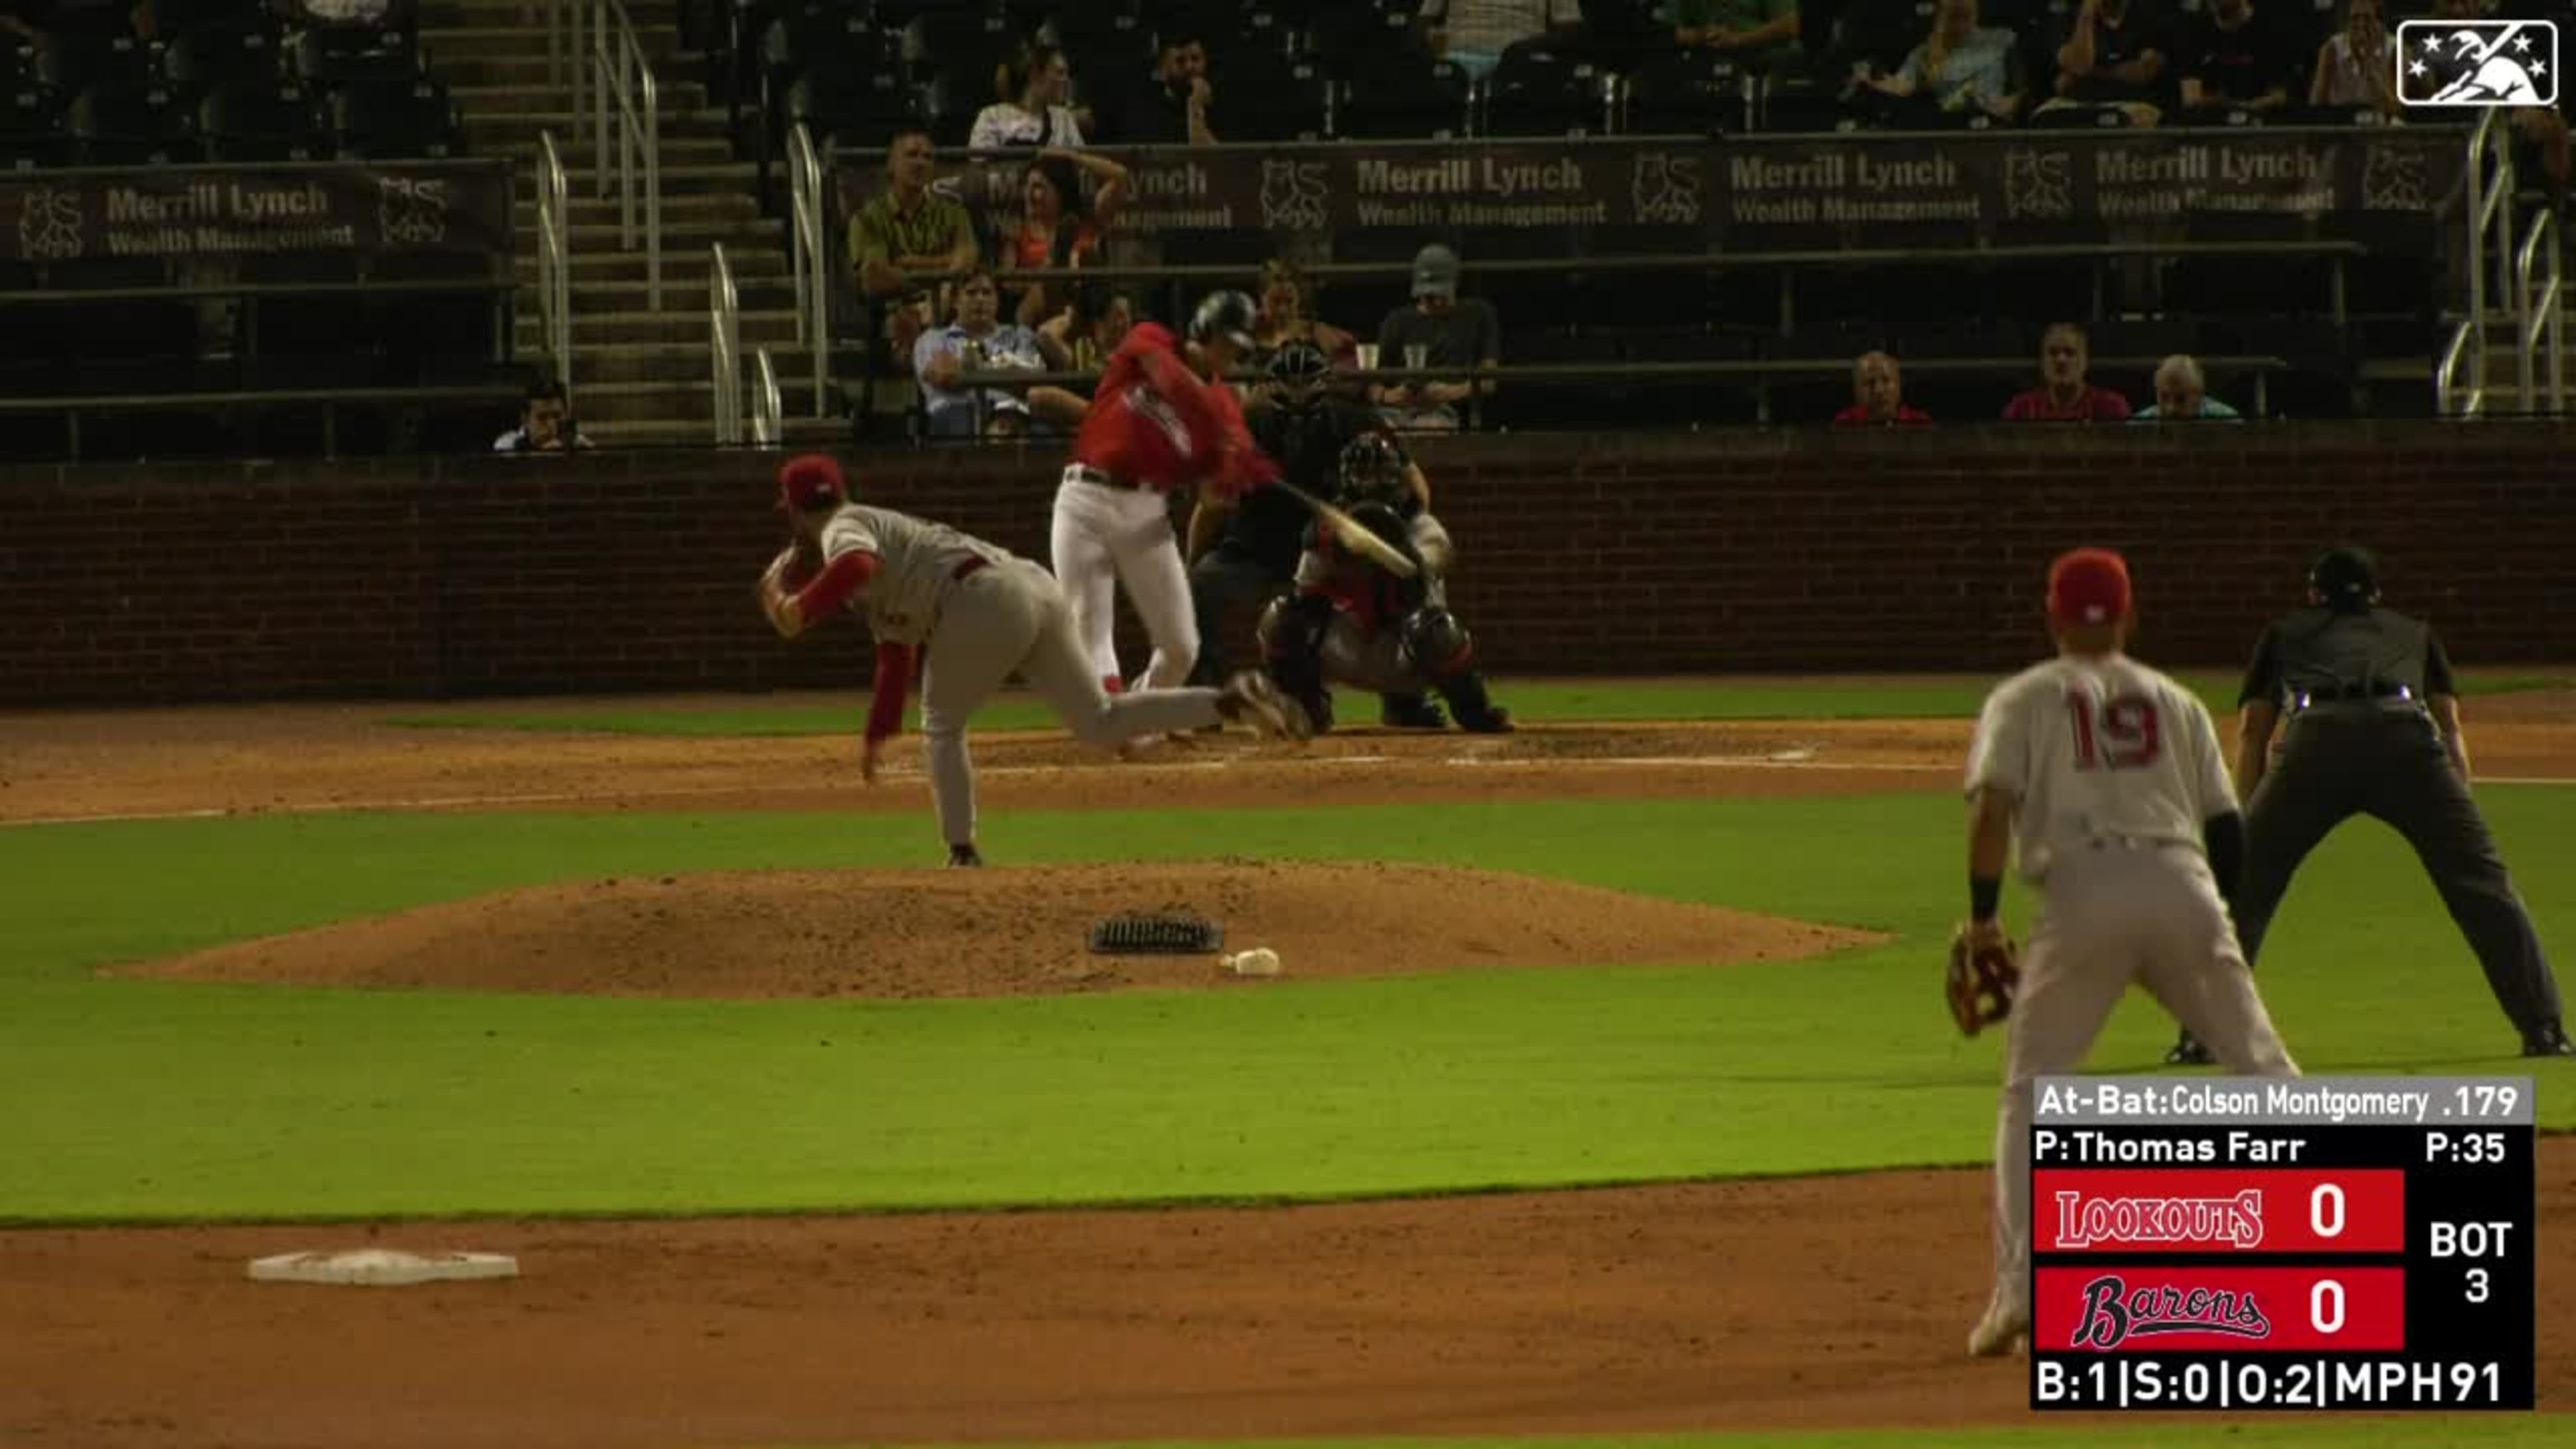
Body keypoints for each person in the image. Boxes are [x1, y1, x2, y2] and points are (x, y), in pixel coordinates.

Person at [1961, 546, 2301, 1359]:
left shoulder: (2023, 697)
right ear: (2130, 616)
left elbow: (1992, 815)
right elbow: (2228, 828)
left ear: (2049, 616)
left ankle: (2023, 1291)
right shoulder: (2176, 701)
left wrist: (1982, 920)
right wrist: (2218, 928)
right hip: (2183, 883)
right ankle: (2336, 1260)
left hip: (2080, 895)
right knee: (2265, 1072)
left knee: (2032, 1092)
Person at [755, 454, 1310, 867]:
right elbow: (894, 656)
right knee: (1100, 722)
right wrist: (878, 735)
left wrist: (793, 604)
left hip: (981, 597)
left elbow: (854, 566)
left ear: (792, 509)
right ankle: (1229, 701)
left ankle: (962, 852)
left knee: (943, 725)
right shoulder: (881, 547)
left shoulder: (842, 527)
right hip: (1030, 587)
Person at [2166, 547, 2575, 1065]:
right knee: (2482, 888)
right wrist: (2461, 820)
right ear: (2377, 596)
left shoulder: (2286, 632)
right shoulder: (2414, 632)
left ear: (2314, 595)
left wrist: (2247, 828)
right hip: (2408, 743)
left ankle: (2199, 1037)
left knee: (2243, 892)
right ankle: (2545, 1030)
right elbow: (2450, 727)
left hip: (2315, 742)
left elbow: (2253, 732)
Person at [1189, 340, 1452, 729]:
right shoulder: (1246, 427)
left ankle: (1404, 699)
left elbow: (1417, 487)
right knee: (1199, 587)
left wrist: (1398, 539)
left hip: (1332, 558)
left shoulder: (1356, 422)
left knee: (1396, 582)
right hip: (1254, 551)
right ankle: (1206, 703)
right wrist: (1191, 559)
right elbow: (1209, 504)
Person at [1056, 290, 1280, 705]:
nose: (1230, 355)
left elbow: (1213, 498)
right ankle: (1114, 718)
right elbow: (1167, 376)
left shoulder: (1228, 408)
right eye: (1225, 343)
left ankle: (1136, 710)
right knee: (1091, 623)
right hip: (1084, 498)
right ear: (1203, 330)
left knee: (1181, 648)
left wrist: (1241, 473)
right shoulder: (1152, 338)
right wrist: (1216, 422)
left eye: (1238, 349)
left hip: (1146, 511)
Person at [1260, 432, 1514, 736]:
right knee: (1283, 616)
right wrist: (1335, 554)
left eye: (1378, 475)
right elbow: (1305, 596)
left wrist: (1395, 552)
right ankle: (1308, 707)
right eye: (1362, 476)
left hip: (1406, 652)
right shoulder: (1326, 532)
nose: (1370, 484)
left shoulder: (1421, 525)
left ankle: (1469, 711)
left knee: (1437, 630)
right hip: (1348, 646)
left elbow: (1440, 557)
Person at [1374, 243, 1501, 433]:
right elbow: (1371, 381)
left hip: (1444, 409)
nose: (1438, 302)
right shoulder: (1397, 320)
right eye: (1430, 296)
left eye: (1443, 294)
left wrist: (1448, 392)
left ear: (1455, 285)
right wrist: (1389, 395)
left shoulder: (1478, 313)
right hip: (1399, 408)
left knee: (1432, 426)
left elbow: (1489, 381)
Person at [1009, 148, 1128, 330]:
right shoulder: (1018, 231)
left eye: (1039, 187)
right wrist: (1045, 271)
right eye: (1027, 186)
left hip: (1088, 305)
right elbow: (1009, 283)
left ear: (1060, 191)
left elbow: (1119, 175)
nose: (1030, 195)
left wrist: (1072, 157)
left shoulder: (1087, 222)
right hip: (1043, 313)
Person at [1852, 0, 2021, 121]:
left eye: (1966, 17)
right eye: (1953, 18)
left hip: (1993, 124)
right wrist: (1871, 79)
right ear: (1940, 18)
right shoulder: (1923, 54)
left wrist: (2010, 104)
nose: (1960, 26)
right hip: (1948, 125)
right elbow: (1902, 86)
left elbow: (2020, 89)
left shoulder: (2002, 41)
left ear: (1975, 15)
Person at [969, 42, 1086, 152]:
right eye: (1060, 73)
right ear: (1034, 74)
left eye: (1067, 74)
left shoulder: (1063, 119)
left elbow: (1081, 167)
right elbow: (980, 166)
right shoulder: (992, 117)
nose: (1066, 80)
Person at [2002, 323, 2132, 421]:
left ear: (2085, 361)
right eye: (2053, 353)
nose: (2061, 360)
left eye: (2070, 353)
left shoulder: (2111, 407)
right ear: (2042, 361)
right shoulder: (2021, 408)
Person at [2308, 0, 2399, 117]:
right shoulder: (2331, 49)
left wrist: (2370, 70)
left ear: (2379, 22)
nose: (2361, 24)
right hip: (2340, 123)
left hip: (2380, 125)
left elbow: (2396, 110)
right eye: (2355, 18)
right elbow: (2315, 105)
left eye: (2367, 18)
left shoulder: (2396, 50)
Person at [2129, 354, 2242, 421]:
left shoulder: (2226, 421)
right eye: (2164, 397)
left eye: (2181, 399)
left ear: (2199, 395)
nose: (2171, 409)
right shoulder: (2139, 425)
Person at [1832, 350, 1933, 424]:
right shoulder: (1845, 423)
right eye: (1869, 382)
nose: (1878, 391)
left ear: (1899, 385)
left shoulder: (1919, 423)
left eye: (1886, 380)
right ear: (1855, 390)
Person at [492, 380, 591, 452]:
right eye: (542, 418)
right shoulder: (507, 446)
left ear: (567, 415)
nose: (551, 424)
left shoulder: (580, 445)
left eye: (557, 416)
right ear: (525, 420)